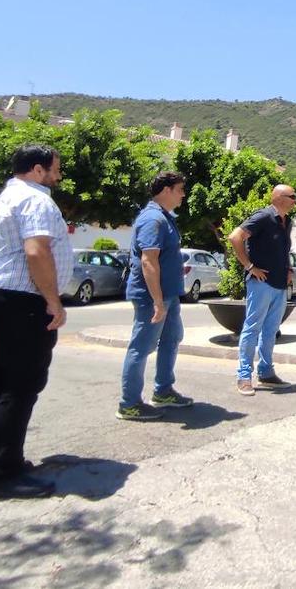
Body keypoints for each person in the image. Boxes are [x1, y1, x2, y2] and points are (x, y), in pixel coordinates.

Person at [0, 144, 74, 499]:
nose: (58, 175)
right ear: (38, 170)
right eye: (55, 169)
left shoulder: (4, 199)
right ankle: (3, 472)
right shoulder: (36, 200)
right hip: (22, 302)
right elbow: (36, 251)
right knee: (20, 386)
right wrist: (53, 301)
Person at [116, 171, 193, 421]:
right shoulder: (153, 219)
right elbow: (149, 262)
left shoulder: (164, 218)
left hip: (168, 295)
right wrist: (158, 302)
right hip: (153, 298)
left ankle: (163, 390)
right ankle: (129, 404)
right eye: (180, 189)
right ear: (166, 190)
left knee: (172, 339)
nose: (183, 195)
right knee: (142, 347)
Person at [228, 184, 296, 396]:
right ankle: (244, 376)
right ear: (278, 198)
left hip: (279, 284)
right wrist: (250, 267)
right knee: (252, 329)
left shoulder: (286, 222)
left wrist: (287, 269)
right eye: (292, 196)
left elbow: (282, 248)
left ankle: (266, 373)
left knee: (270, 331)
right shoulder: (263, 217)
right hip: (261, 283)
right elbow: (235, 237)